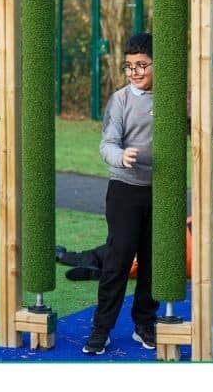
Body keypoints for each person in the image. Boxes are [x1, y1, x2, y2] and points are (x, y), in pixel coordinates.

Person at [83, 33, 160, 355]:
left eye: (142, 65)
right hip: (125, 191)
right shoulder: (121, 100)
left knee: (155, 262)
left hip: (160, 193)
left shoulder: (172, 97)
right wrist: (121, 156)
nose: (135, 72)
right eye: (129, 66)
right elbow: (107, 143)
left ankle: (145, 324)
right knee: (118, 260)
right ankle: (101, 329)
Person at [56, 217, 213, 281]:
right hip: (147, 263)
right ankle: (98, 272)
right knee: (120, 267)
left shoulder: (193, 228)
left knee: (101, 253)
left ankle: (64, 256)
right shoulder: (195, 267)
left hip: (142, 246)